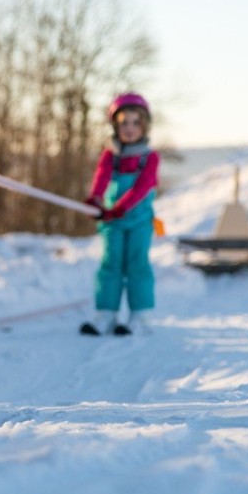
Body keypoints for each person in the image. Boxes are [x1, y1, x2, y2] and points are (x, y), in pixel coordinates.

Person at [80, 92, 160, 336]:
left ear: (144, 125)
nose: (130, 128)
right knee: (111, 262)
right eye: (124, 123)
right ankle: (106, 313)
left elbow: (142, 186)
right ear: (116, 125)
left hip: (138, 220)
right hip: (113, 222)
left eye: (136, 123)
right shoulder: (110, 155)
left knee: (137, 263)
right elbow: (102, 177)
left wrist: (122, 207)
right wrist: (95, 199)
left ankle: (140, 315)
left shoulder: (150, 157)